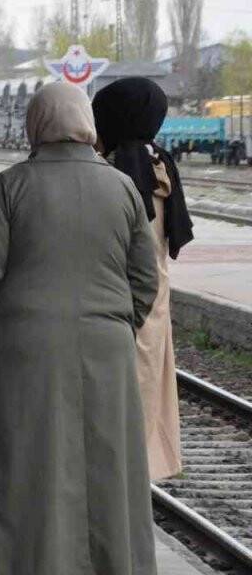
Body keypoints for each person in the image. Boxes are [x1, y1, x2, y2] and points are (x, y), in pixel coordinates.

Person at [0, 82, 159, 573]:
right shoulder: (122, 186)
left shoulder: (13, 184)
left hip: (22, 347)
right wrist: (116, 322)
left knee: (22, 466)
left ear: (36, 124)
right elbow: (144, 279)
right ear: (86, 125)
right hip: (106, 348)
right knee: (108, 469)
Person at [93, 77, 194, 481]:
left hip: (122, 300)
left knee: (122, 393)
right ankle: (145, 463)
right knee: (149, 387)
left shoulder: (118, 169)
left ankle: (123, 471)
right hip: (155, 298)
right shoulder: (160, 161)